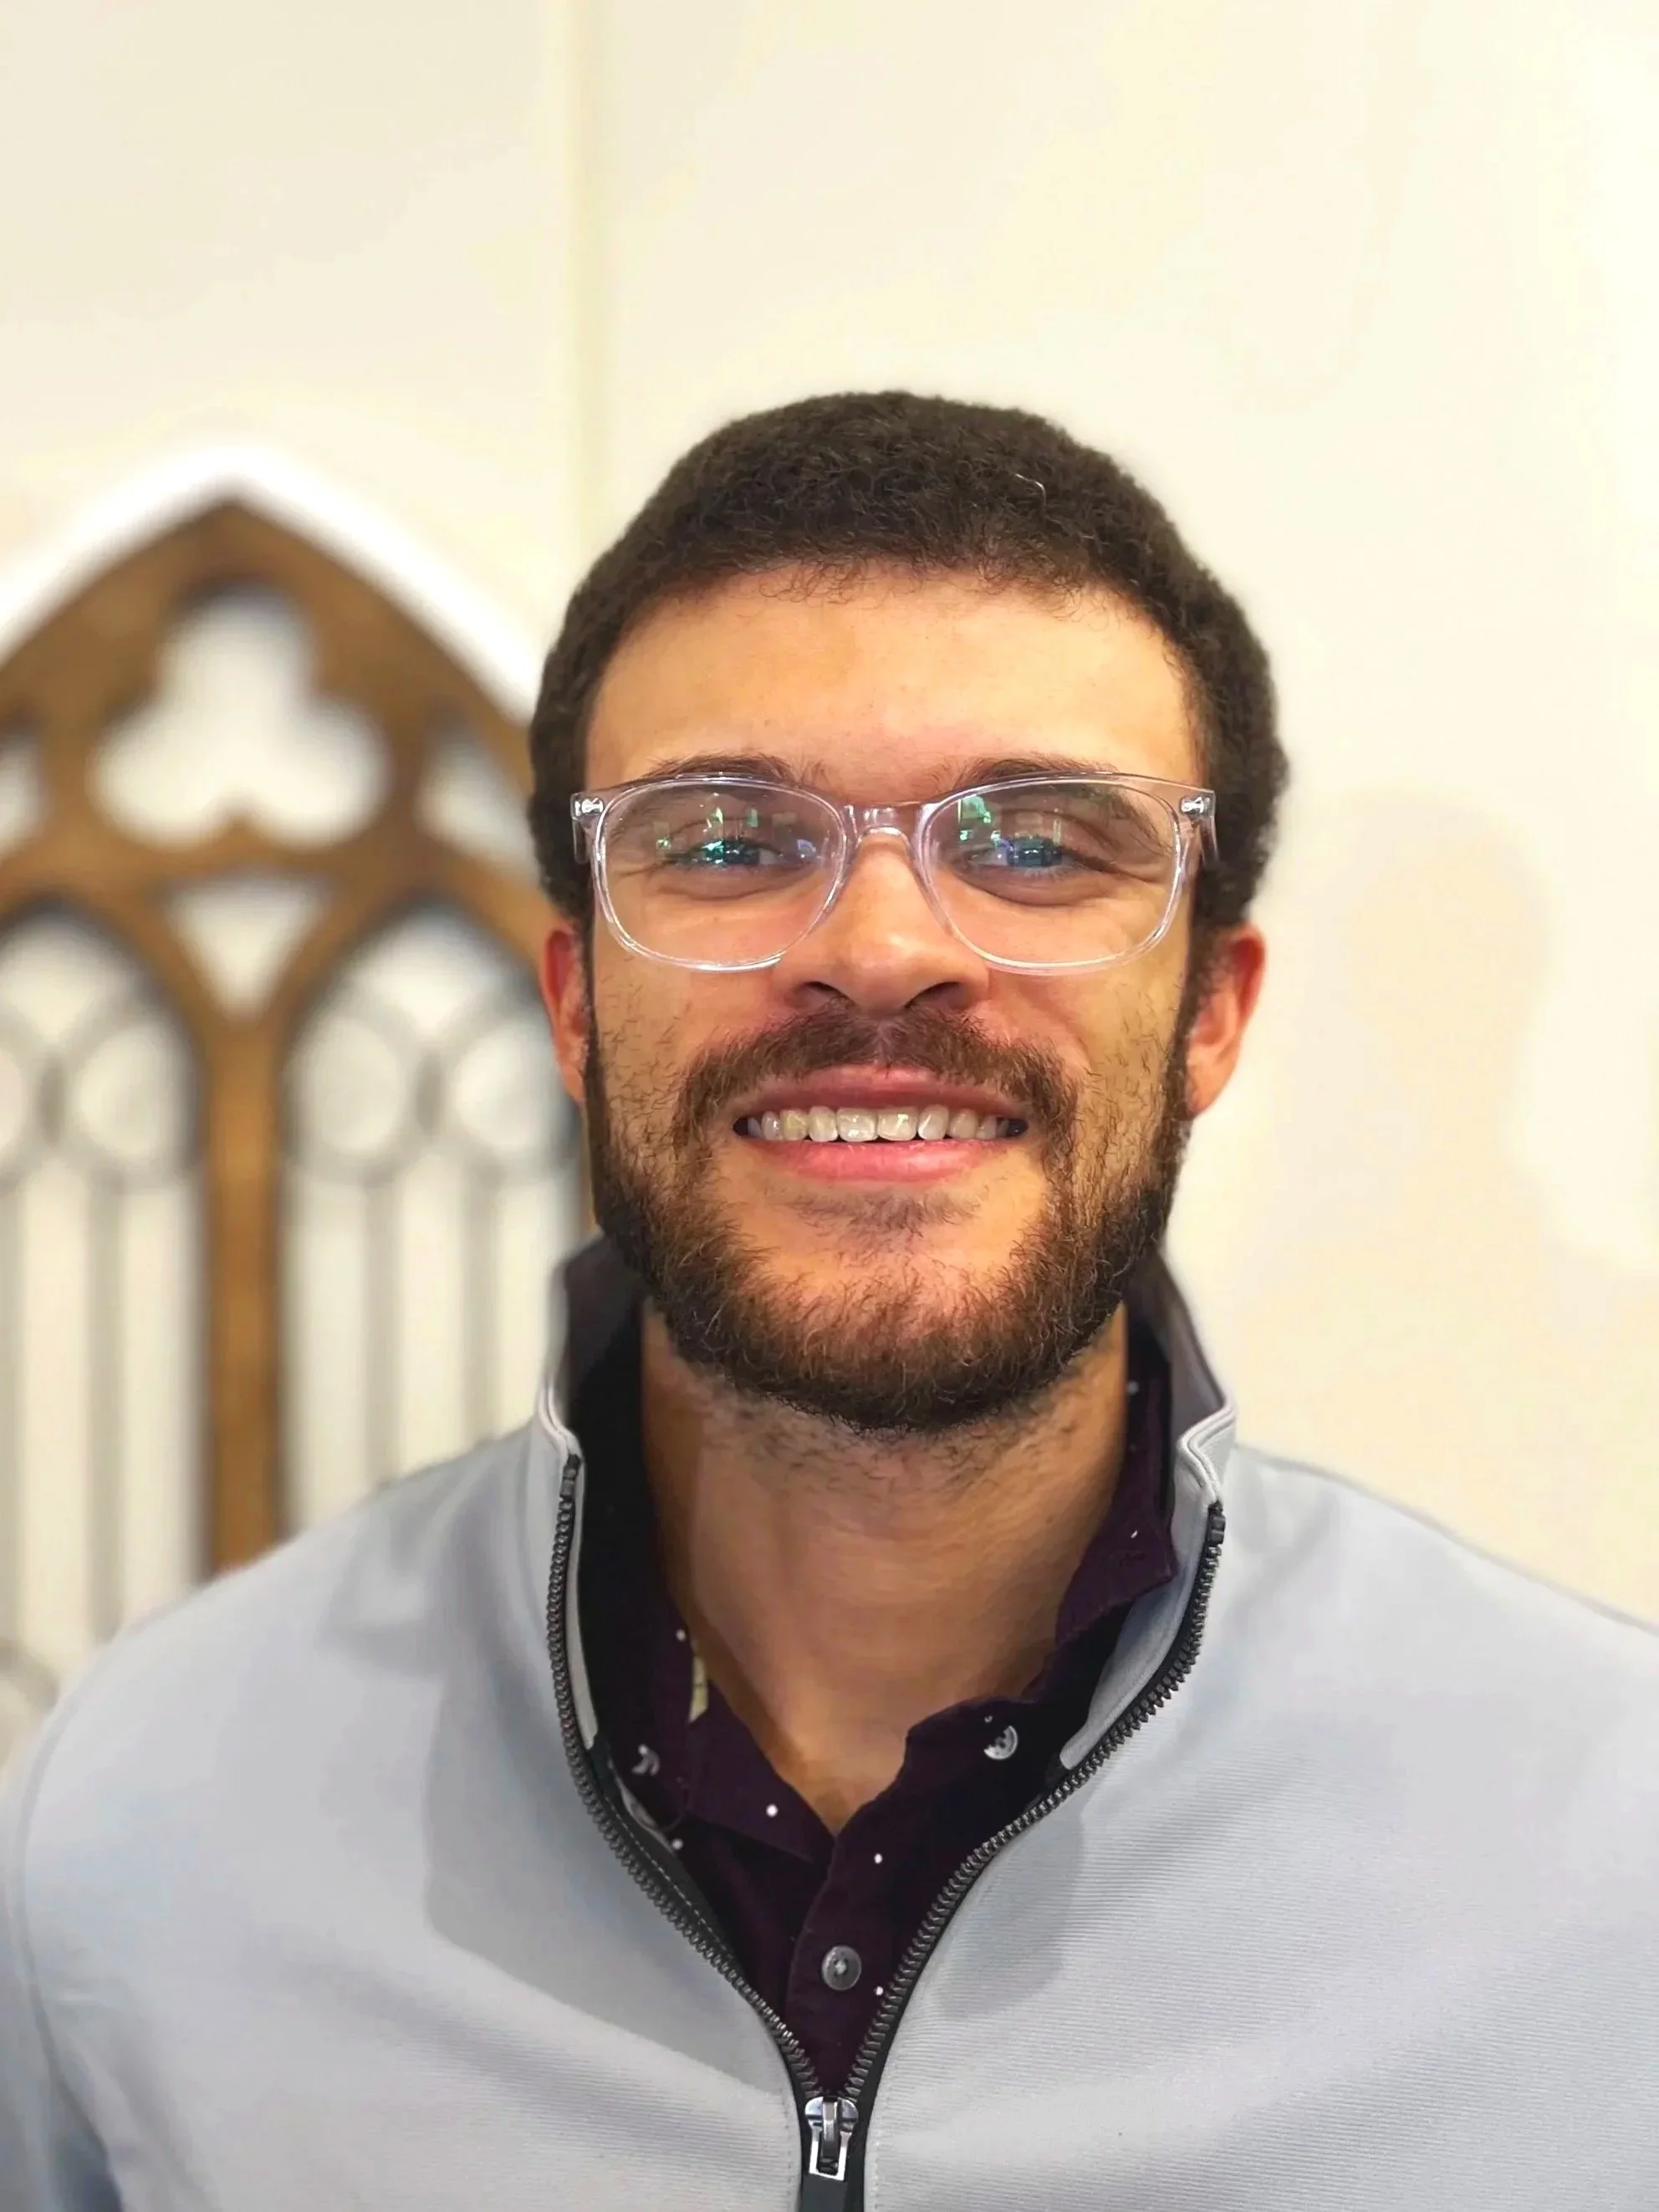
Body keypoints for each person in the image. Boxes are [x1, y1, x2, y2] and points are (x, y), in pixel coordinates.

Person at [2, 393, 1656, 2212]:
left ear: (1209, 1014)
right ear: (573, 1002)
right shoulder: (144, 1830)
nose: (878, 947)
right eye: (725, 844)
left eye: (1036, 844)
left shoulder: (1606, 1852)